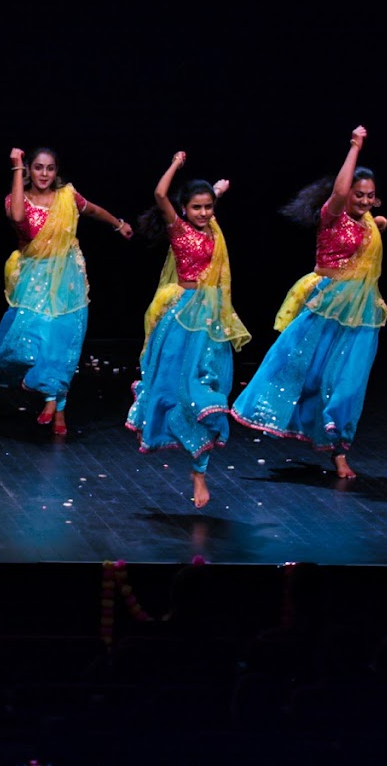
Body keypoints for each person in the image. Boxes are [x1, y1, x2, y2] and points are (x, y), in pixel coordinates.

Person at [232, 126, 387, 479]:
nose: (363, 201)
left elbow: (368, 239)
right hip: (325, 307)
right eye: (358, 195)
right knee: (305, 373)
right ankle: (264, 413)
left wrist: (377, 221)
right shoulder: (331, 216)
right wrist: (355, 147)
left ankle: (339, 450)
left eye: (371, 196)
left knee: (348, 382)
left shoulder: (369, 225)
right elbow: (340, 190)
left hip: (360, 314)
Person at [126, 152, 249, 508]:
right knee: (174, 389)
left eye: (209, 207)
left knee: (208, 391)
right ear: (184, 209)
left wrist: (217, 190)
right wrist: (175, 166)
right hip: (182, 317)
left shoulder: (212, 228)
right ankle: (184, 449)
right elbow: (161, 194)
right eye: (197, 208)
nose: (204, 213)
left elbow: (208, 201)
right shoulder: (178, 227)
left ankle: (200, 470)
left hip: (210, 320)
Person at [0, 147, 133, 435]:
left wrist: (118, 224)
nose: (44, 174)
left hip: (67, 278)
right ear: (29, 170)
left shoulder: (67, 197)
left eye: (50, 168)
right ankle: (47, 394)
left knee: (63, 340)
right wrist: (16, 168)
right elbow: (16, 217)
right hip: (33, 278)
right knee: (34, 338)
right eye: (38, 167)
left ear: (57, 171)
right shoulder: (16, 197)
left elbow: (94, 210)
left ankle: (57, 407)